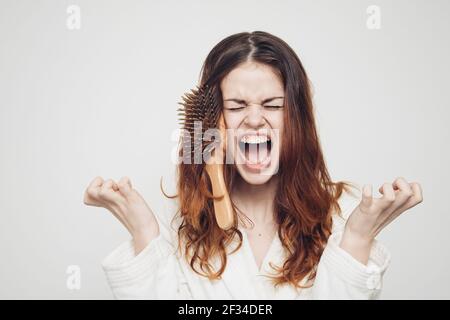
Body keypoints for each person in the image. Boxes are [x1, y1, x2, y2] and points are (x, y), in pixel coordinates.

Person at [83, 31, 423, 299]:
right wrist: (144, 233)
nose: (255, 120)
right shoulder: (171, 226)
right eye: (237, 106)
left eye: (273, 105)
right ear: (212, 122)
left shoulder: (346, 217)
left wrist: (359, 238)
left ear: (296, 119)